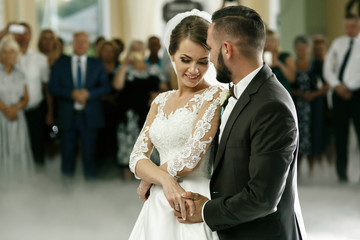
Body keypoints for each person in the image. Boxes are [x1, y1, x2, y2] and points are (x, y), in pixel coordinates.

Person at [176, 6, 307, 240]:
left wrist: (206, 211)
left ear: (227, 49)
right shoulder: (237, 92)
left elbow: (262, 199)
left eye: (211, 48)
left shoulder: (271, 106)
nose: (209, 58)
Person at [127, 10, 227, 239]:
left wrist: (147, 179)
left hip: (192, 198)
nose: (194, 70)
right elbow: (136, 157)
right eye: (185, 60)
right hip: (159, 201)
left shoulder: (213, 96)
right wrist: (163, 179)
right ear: (171, 55)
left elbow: (191, 159)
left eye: (202, 62)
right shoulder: (161, 100)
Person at [49, 32, 110, 179]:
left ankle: (91, 191)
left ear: (88, 45)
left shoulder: (96, 63)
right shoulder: (60, 63)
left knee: (89, 155)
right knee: (67, 154)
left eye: (84, 42)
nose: (81, 45)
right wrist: (71, 94)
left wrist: (89, 94)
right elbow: (53, 88)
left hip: (90, 116)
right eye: (78, 41)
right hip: (67, 115)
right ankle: (66, 191)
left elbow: (106, 87)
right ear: (73, 43)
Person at [113, 40, 166, 179]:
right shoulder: (124, 69)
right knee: (128, 148)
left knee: (151, 149)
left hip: (150, 115)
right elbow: (117, 86)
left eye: (139, 49)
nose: (137, 52)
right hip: (129, 116)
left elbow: (166, 88)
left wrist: (158, 94)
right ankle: (125, 184)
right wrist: (125, 65)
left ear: (144, 52)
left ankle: (151, 182)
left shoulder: (154, 69)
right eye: (133, 49)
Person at [0, 22, 50, 167]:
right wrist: (6, 29)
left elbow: (45, 87)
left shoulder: (40, 59)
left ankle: (36, 183)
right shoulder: (3, 60)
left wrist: (50, 112)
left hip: (32, 110)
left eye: (26, 33)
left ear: (31, 36)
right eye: (19, 33)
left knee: (34, 147)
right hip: (4, 114)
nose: (22, 37)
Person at [323, 13, 360, 182]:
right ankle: (341, 173)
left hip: (357, 94)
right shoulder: (338, 43)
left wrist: (349, 85)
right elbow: (328, 67)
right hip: (338, 93)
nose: (349, 30)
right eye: (347, 26)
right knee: (340, 135)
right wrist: (337, 85)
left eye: (352, 26)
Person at [291, 35, 330, 174]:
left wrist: (313, 94)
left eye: (304, 48)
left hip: (314, 105)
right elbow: (289, 87)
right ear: (295, 50)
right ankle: (298, 170)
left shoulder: (317, 65)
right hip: (297, 105)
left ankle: (312, 171)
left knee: (314, 134)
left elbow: (327, 85)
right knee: (297, 136)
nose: (302, 51)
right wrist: (301, 94)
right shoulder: (292, 65)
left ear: (309, 49)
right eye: (299, 49)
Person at [0, 38, 33, 175]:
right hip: (1, 117)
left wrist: (15, 108)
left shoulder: (21, 74)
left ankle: (19, 184)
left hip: (17, 116)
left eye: (11, 52)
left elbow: (26, 98)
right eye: (4, 52)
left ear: (16, 54)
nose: (8, 55)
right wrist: (6, 110)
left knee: (18, 149)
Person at [95, 40, 121, 177]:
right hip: (98, 109)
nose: (108, 53)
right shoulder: (94, 66)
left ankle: (114, 173)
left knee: (115, 141)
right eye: (105, 50)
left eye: (111, 51)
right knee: (100, 142)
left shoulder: (119, 66)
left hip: (116, 109)